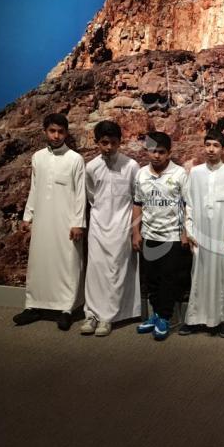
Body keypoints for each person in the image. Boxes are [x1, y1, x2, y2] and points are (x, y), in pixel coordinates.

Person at [13, 114, 86, 331]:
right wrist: (28, 216)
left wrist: (78, 223)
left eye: (61, 132)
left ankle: (67, 309)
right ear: (45, 131)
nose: (56, 136)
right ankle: (33, 306)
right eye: (52, 131)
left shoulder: (75, 159)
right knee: (39, 262)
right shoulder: (38, 157)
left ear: (66, 133)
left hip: (67, 222)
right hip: (43, 220)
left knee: (68, 264)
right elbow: (35, 188)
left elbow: (80, 194)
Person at [80, 120, 140, 337]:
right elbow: (91, 196)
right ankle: (91, 314)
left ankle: (108, 317)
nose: (109, 147)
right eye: (104, 143)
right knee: (95, 270)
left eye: (113, 143)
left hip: (122, 224)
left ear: (119, 142)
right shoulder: (91, 167)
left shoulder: (131, 166)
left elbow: (137, 198)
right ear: (97, 142)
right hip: (98, 224)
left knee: (116, 270)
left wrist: (134, 229)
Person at [180, 129, 224, 338]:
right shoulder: (195, 173)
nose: (211, 149)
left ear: (223, 149)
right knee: (199, 274)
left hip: (222, 233)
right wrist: (189, 230)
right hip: (201, 232)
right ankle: (195, 318)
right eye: (208, 145)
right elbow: (189, 203)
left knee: (223, 275)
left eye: (216, 145)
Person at [132, 132, 188, 341]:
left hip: (172, 235)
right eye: (153, 151)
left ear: (169, 153)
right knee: (152, 279)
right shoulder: (141, 174)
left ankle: (165, 317)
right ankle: (155, 315)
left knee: (168, 279)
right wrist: (135, 233)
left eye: (161, 152)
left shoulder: (180, 174)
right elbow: (137, 204)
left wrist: (185, 234)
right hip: (149, 233)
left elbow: (187, 205)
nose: (156, 156)